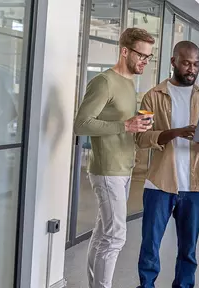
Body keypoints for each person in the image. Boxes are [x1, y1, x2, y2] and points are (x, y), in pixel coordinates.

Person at [73, 28, 155, 288]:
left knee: (102, 234)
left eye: (148, 57)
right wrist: (125, 126)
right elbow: (81, 124)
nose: (144, 61)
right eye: (141, 55)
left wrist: (136, 126)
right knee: (116, 236)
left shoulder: (129, 83)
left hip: (124, 168)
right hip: (107, 169)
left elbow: (122, 123)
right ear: (124, 51)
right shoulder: (103, 82)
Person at [135, 41, 199, 288]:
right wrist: (176, 132)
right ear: (173, 62)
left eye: (196, 64)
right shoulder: (152, 96)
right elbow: (141, 138)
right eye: (186, 63)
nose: (191, 69)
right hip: (159, 183)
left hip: (193, 186)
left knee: (188, 251)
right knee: (150, 246)